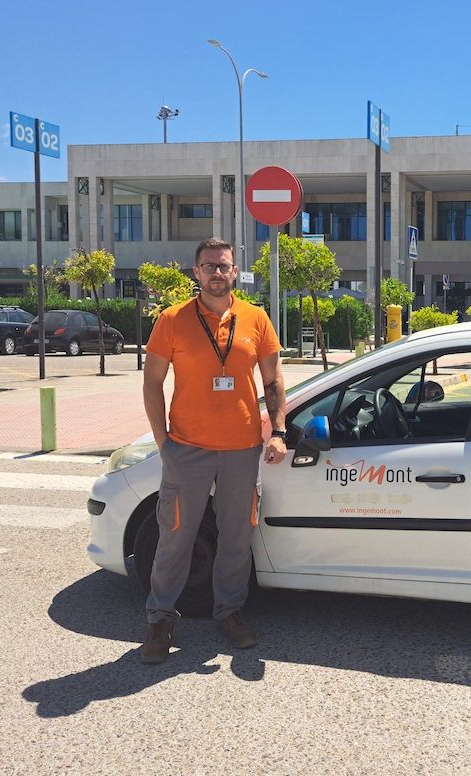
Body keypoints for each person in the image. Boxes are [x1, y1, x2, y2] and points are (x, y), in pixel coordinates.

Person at [139, 237, 288, 664]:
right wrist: (163, 440)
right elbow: (152, 382)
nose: (217, 273)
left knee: (237, 539)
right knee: (175, 537)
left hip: (242, 448)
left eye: (224, 266)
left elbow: (273, 380)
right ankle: (160, 620)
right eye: (209, 266)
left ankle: (229, 613)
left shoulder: (256, 319)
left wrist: (277, 431)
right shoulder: (172, 319)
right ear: (196, 272)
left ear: (235, 271)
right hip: (187, 448)